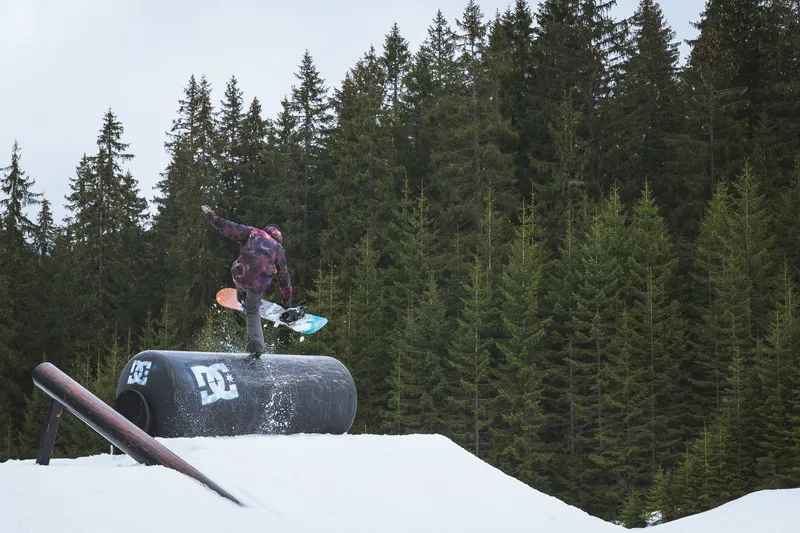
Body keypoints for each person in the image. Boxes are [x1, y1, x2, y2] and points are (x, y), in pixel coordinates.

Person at [201, 205, 300, 356]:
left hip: (240, 275)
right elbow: (284, 279)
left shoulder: (254, 233)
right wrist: (287, 304)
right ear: (279, 238)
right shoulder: (279, 250)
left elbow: (231, 228)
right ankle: (256, 348)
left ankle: (241, 294)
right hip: (257, 285)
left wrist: (212, 217)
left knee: (237, 266)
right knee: (252, 311)